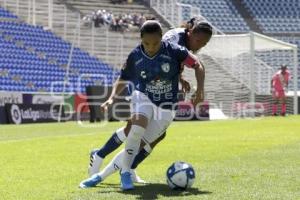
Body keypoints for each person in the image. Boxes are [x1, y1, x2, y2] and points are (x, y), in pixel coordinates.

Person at [79, 20, 205, 190]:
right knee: (135, 129)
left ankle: (100, 176)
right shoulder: (135, 55)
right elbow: (123, 78)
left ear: (162, 38)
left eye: (155, 43)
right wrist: (111, 98)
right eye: (146, 43)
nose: (151, 47)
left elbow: (197, 65)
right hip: (144, 96)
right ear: (141, 39)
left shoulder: (175, 51)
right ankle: (123, 173)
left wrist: (200, 90)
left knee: (137, 146)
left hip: (167, 106)